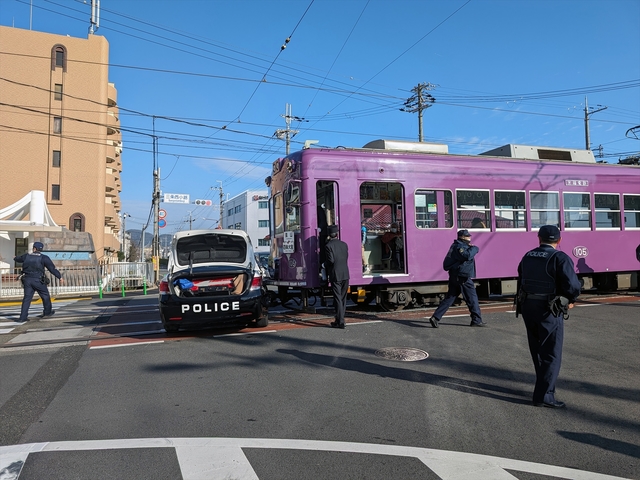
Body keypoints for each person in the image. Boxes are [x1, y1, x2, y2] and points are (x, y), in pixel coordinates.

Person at [516, 225, 581, 409]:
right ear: (559, 240)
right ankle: (544, 396)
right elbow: (572, 285)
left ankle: (541, 389)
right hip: (549, 309)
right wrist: (571, 299)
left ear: (539, 238)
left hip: (528, 307)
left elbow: (521, 278)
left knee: (537, 349)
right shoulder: (560, 257)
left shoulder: (527, 256)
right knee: (552, 352)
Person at [427, 229, 485, 328]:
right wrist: (475, 248)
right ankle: (476, 320)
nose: (469, 238)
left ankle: (435, 317)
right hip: (462, 277)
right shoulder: (460, 246)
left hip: (455, 276)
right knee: (472, 298)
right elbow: (467, 256)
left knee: (450, 298)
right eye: (467, 236)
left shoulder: (456, 245)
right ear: (462, 237)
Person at [14, 241, 63, 322]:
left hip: (27, 280)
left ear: (34, 248)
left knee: (27, 298)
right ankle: (47, 312)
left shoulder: (26, 256)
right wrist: (59, 277)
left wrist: (15, 257)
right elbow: (52, 269)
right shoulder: (44, 258)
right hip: (38, 280)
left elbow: (19, 259)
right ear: (41, 249)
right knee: (45, 296)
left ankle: (22, 317)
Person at [325, 224, 349, 329]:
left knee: (337, 298)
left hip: (336, 274)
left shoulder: (328, 246)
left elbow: (331, 260)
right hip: (345, 274)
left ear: (329, 235)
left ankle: (341, 322)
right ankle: (339, 320)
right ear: (337, 234)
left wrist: (323, 265)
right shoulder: (344, 244)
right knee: (343, 298)